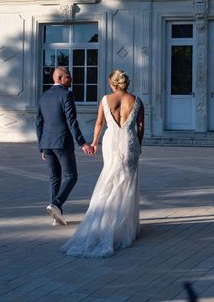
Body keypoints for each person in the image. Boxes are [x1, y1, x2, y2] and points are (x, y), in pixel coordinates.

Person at [62, 69, 144, 258]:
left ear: (113, 84)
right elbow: (140, 126)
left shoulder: (106, 100)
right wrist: (139, 144)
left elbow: (99, 123)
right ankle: (123, 226)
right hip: (129, 141)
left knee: (110, 176)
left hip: (111, 141)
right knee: (127, 180)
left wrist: (94, 143)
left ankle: (105, 220)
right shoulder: (137, 100)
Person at [37, 66, 95, 226]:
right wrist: (82, 143)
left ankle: (56, 215)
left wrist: (41, 147)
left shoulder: (43, 97)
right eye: (68, 77)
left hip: (47, 143)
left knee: (54, 178)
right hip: (62, 142)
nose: (71, 79)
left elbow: (39, 123)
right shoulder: (67, 95)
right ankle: (56, 204)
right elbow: (72, 121)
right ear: (59, 78)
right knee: (71, 176)